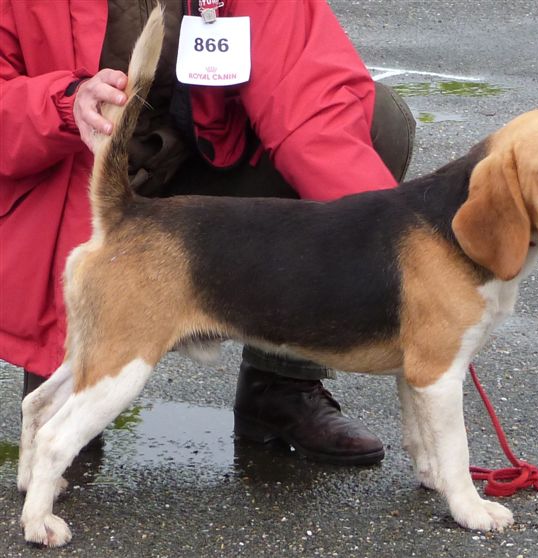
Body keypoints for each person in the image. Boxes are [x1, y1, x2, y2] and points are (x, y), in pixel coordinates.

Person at [0, 0, 415, 465]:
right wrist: (63, 102)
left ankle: (280, 385)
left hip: (196, 169)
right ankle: (69, 369)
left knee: (376, 124)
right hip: (67, 179)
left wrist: (397, 242)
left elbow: (310, 96)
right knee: (70, 432)